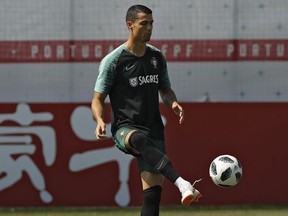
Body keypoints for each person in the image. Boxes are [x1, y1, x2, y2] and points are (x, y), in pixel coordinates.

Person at [91, 4, 202, 216]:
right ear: (130, 25)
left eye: (151, 23)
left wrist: (173, 103)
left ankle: (182, 185)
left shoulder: (156, 57)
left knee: (152, 199)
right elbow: (97, 98)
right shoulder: (113, 61)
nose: (149, 28)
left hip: (154, 129)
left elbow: (165, 89)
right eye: (144, 24)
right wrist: (99, 120)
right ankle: (182, 184)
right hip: (126, 128)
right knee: (139, 139)